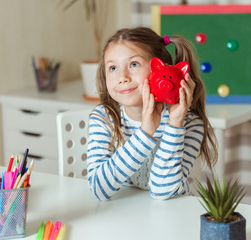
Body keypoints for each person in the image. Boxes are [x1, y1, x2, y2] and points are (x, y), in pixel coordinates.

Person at [86, 27, 217, 201]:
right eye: (112, 68)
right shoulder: (104, 118)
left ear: (161, 69)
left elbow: (163, 191)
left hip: (172, 213)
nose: (122, 77)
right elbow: (98, 189)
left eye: (134, 64)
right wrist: (146, 132)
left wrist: (174, 124)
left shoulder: (189, 123)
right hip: (125, 213)